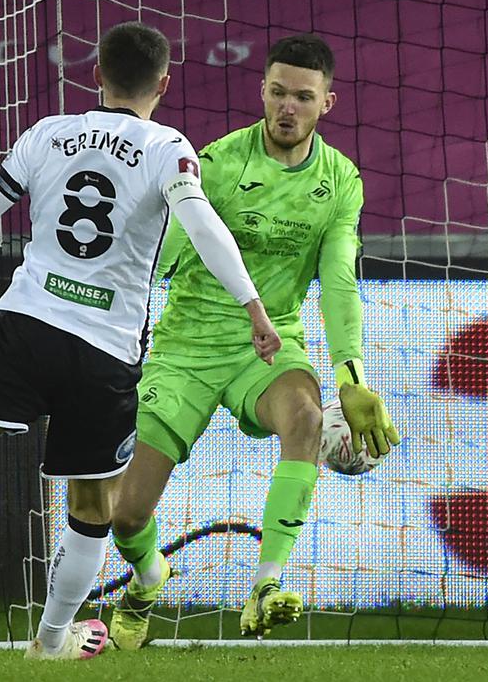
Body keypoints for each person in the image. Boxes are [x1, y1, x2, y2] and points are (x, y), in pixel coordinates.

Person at [0, 22, 281, 661]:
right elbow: (202, 226)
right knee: (92, 502)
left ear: (94, 74)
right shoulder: (168, 146)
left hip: (29, 323)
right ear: (165, 84)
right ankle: (49, 641)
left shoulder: (46, 133)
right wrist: (255, 309)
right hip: (105, 350)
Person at [107, 34, 402, 649]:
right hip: (186, 346)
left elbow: (339, 282)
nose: (286, 108)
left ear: (328, 103)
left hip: (268, 347)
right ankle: (147, 578)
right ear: (262, 92)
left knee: (304, 417)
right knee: (127, 515)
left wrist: (352, 381)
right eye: (276, 92)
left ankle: (266, 585)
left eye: (302, 96)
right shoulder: (214, 164)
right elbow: (158, 257)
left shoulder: (341, 181)